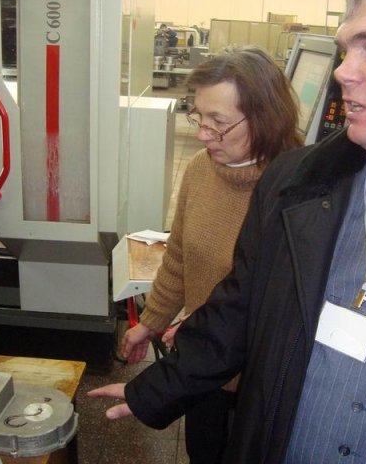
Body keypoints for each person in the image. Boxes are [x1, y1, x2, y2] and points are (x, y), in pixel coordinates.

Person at [89, 0, 366, 463]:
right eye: (346, 51)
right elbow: (238, 309)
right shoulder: (296, 184)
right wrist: (157, 389)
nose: (343, 72)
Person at [122, 46, 302, 463]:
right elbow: (179, 256)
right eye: (199, 117)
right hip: (202, 371)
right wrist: (151, 321)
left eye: (218, 123)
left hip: (258, 385)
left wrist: (198, 327)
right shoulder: (201, 170)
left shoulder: (296, 192)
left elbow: (280, 304)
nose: (204, 135)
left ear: (264, 117)